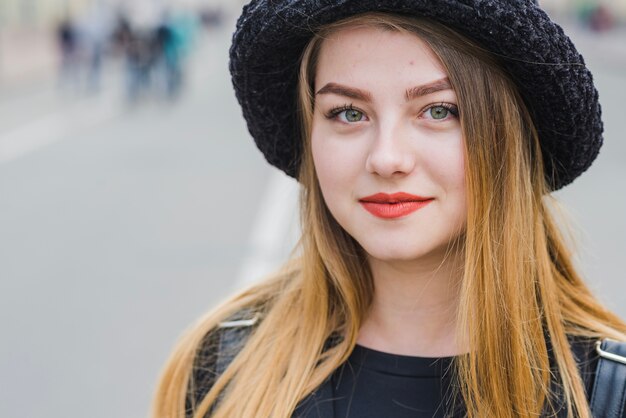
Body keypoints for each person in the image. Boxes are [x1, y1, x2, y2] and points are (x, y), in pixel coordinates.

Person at [153, 1, 626, 417]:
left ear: (509, 135)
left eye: (439, 110)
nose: (386, 158)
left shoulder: (607, 395)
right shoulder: (223, 365)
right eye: (348, 113)